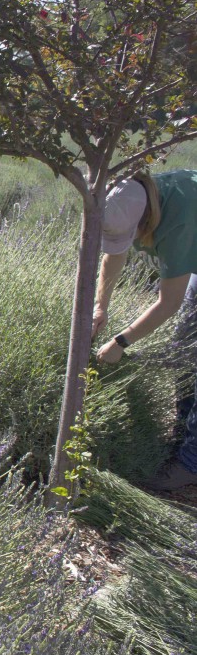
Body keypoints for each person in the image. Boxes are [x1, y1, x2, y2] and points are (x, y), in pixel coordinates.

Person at [93, 169, 197, 490]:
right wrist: (101, 306)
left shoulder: (178, 221)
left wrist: (120, 342)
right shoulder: (131, 196)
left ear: (145, 222)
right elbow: (114, 256)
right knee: (183, 349)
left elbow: (168, 304)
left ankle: (191, 464)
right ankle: (182, 433)